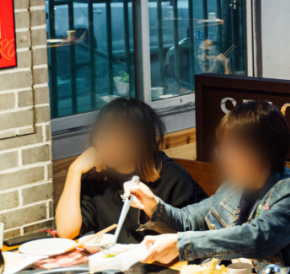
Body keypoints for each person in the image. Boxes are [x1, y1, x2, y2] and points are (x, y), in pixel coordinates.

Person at [130, 101, 290, 274]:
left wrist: (182, 244)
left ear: (261, 152)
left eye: (231, 148)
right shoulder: (234, 186)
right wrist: (153, 206)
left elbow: (257, 238)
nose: (224, 156)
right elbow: (189, 220)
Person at [56, 98, 206, 244]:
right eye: (103, 135)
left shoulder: (172, 177)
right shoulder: (96, 178)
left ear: (140, 140)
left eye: (119, 137)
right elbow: (66, 232)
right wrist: (74, 171)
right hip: (111, 259)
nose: (109, 144)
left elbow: (195, 236)